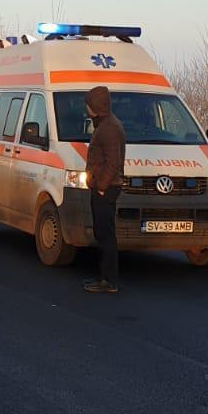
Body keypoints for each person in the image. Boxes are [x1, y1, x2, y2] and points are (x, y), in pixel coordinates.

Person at [83, 85, 126, 294]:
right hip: (104, 186)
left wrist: (100, 186)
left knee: (106, 235)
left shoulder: (109, 128)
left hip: (106, 188)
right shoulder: (105, 124)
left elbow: (113, 162)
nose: (86, 108)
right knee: (102, 233)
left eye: (88, 103)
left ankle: (109, 280)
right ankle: (104, 277)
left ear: (95, 106)